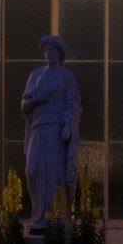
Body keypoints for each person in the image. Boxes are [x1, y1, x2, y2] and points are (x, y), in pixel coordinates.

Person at [20, 36, 80, 206]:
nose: (48, 53)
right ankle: (38, 212)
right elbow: (24, 105)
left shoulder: (67, 76)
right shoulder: (36, 73)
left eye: (51, 50)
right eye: (45, 50)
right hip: (38, 128)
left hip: (56, 129)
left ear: (59, 53)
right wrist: (39, 98)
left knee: (54, 173)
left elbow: (73, 104)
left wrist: (69, 123)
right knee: (31, 170)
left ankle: (54, 217)